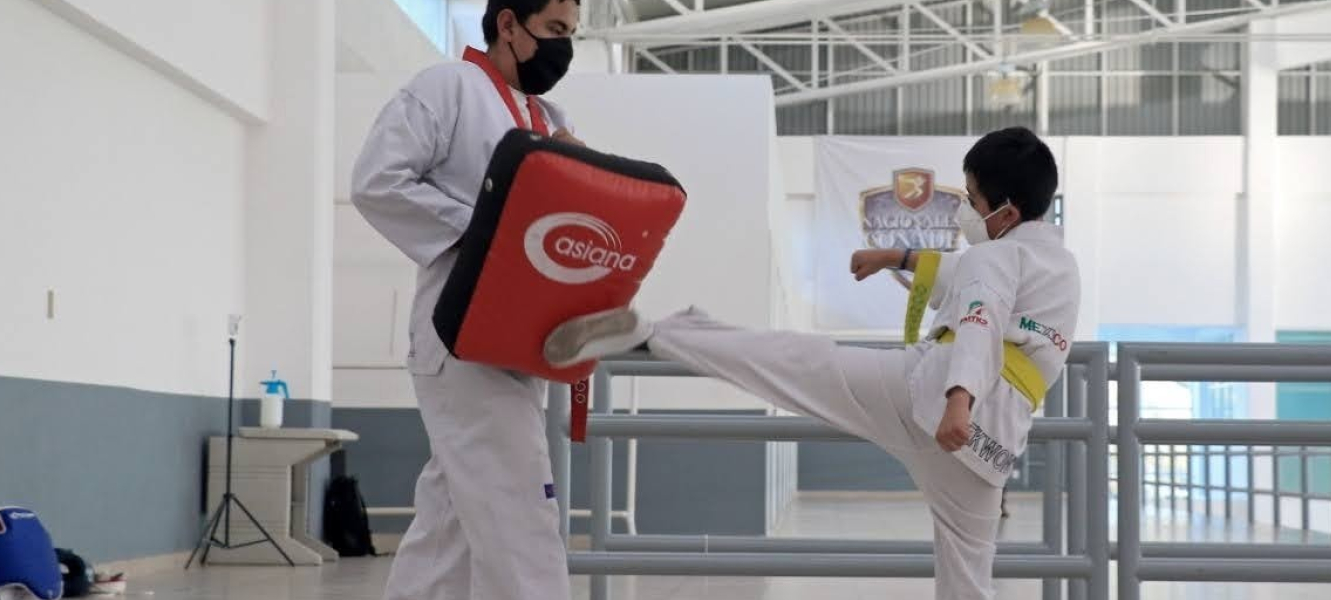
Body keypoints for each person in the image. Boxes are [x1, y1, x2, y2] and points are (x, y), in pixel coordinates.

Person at [544, 127, 1080, 600]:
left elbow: (981, 314)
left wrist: (958, 399)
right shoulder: (1057, 267)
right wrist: (895, 257)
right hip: (988, 447)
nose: (965, 207)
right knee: (969, 582)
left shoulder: (993, 257)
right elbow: (973, 284)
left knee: (797, 362)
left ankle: (660, 333)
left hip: (934, 399)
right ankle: (673, 332)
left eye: (971, 196)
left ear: (1005, 212)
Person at [349, 1, 581, 598]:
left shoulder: (547, 116)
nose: (564, 48)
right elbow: (377, 180)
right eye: (555, 30)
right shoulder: (448, 86)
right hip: (463, 337)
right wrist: (486, 228)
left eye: (571, 34)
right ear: (508, 23)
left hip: (520, 339)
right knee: (523, 511)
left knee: (448, 528)